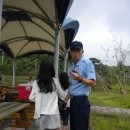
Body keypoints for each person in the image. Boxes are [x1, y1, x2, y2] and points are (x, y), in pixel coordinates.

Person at [64, 41, 96, 130]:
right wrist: (65, 100)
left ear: (82, 52)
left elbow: (93, 83)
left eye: (77, 50)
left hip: (82, 101)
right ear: (70, 52)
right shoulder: (71, 66)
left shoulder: (87, 63)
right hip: (73, 101)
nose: (75, 53)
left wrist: (80, 79)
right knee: (73, 127)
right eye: (72, 50)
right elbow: (71, 86)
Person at [29, 59, 65, 130]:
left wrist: (39, 98)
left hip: (40, 114)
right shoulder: (55, 81)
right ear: (52, 69)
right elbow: (62, 95)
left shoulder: (36, 82)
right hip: (53, 113)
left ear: (41, 70)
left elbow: (31, 98)